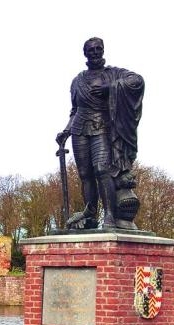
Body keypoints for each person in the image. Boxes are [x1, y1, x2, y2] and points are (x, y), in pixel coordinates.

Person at [55, 37, 145, 230]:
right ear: (85, 53)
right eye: (91, 49)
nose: (95, 52)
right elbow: (75, 109)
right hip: (79, 129)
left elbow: (137, 81)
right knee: (85, 174)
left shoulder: (113, 74)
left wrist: (111, 88)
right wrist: (66, 130)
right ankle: (90, 213)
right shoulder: (77, 81)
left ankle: (110, 216)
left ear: (103, 50)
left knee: (102, 170)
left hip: (101, 127)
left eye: (98, 49)